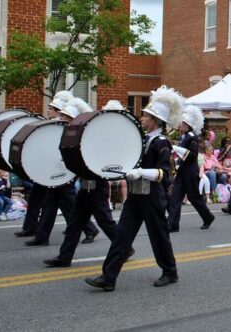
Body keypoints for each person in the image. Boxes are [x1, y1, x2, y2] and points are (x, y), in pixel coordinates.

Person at [85, 85, 182, 291]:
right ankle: (108, 277)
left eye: (146, 115)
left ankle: (170, 271)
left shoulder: (162, 142)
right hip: (136, 195)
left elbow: (163, 173)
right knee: (121, 235)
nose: (142, 118)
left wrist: (140, 172)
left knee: (159, 236)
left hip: (153, 197)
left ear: (155, 120)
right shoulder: (142, 138)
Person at [43, 101, 128, 267]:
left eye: (67, 118)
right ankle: (64, 257)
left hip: (96, 186)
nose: (64, 120)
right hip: (85, 185)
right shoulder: (71, 136)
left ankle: (125, 248)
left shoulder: (91, 136)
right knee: (75, 222)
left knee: (106, 222)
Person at [26, 95, 99, 246]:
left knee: (70, 205)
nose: (61, 117)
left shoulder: (73, 132)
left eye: (64, 115)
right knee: (50, 204)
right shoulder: (58, 129)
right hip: (56, 172)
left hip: (67, 173)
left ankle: (90, 229)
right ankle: (42, 236)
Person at [168, 105, 215, 232]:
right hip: (183, 171)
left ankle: (208, 217)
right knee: (175, 197)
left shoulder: (192, 137)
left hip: (190, 172)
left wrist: (176, 148)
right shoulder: (183, 136)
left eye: (182, 123)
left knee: (194, 198)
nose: (180, 125)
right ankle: (173, 224)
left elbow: (193, 154)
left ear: (187, 124)